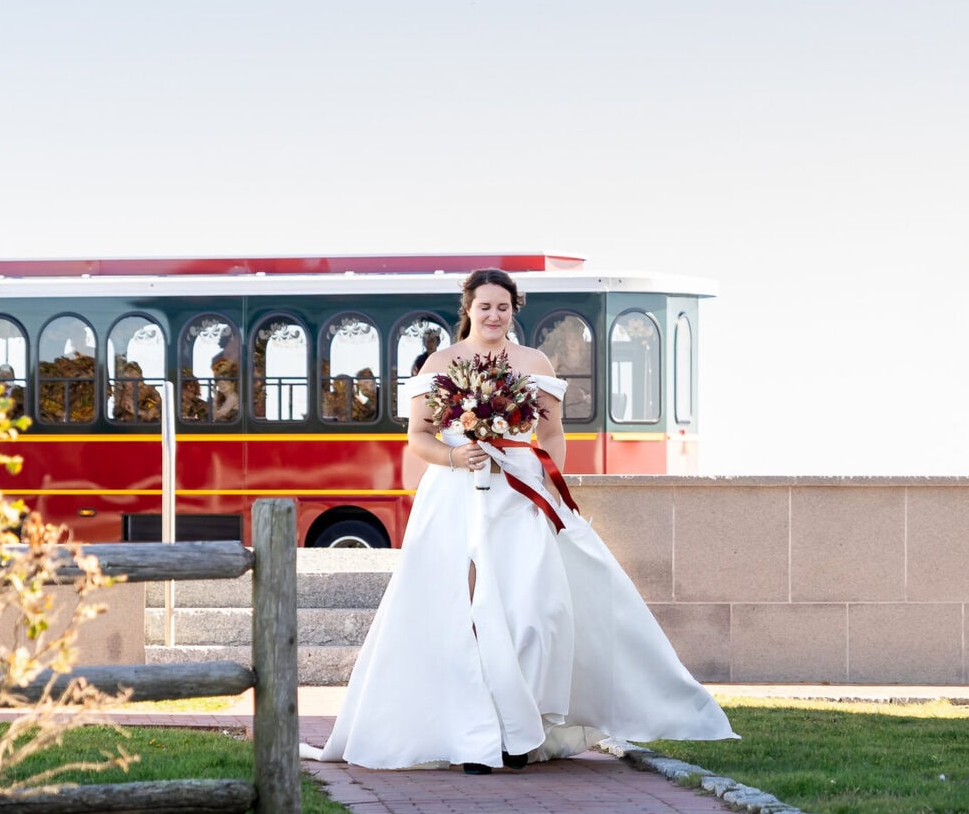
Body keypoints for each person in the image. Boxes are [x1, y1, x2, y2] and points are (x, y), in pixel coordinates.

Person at [309, 269, 735, 773]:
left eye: (503, 307)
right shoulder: (439, 364)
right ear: (467, 307)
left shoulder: (534, 362)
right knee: (460, 611)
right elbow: (419, 437)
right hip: (454, 497)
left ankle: (521, 731)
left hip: (520, 495)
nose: (493, 315)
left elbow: (553, 434)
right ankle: (476, 736)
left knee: (534, 610)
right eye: (484, 306)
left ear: (515, 310)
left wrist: (543, 477)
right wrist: (457, 456)